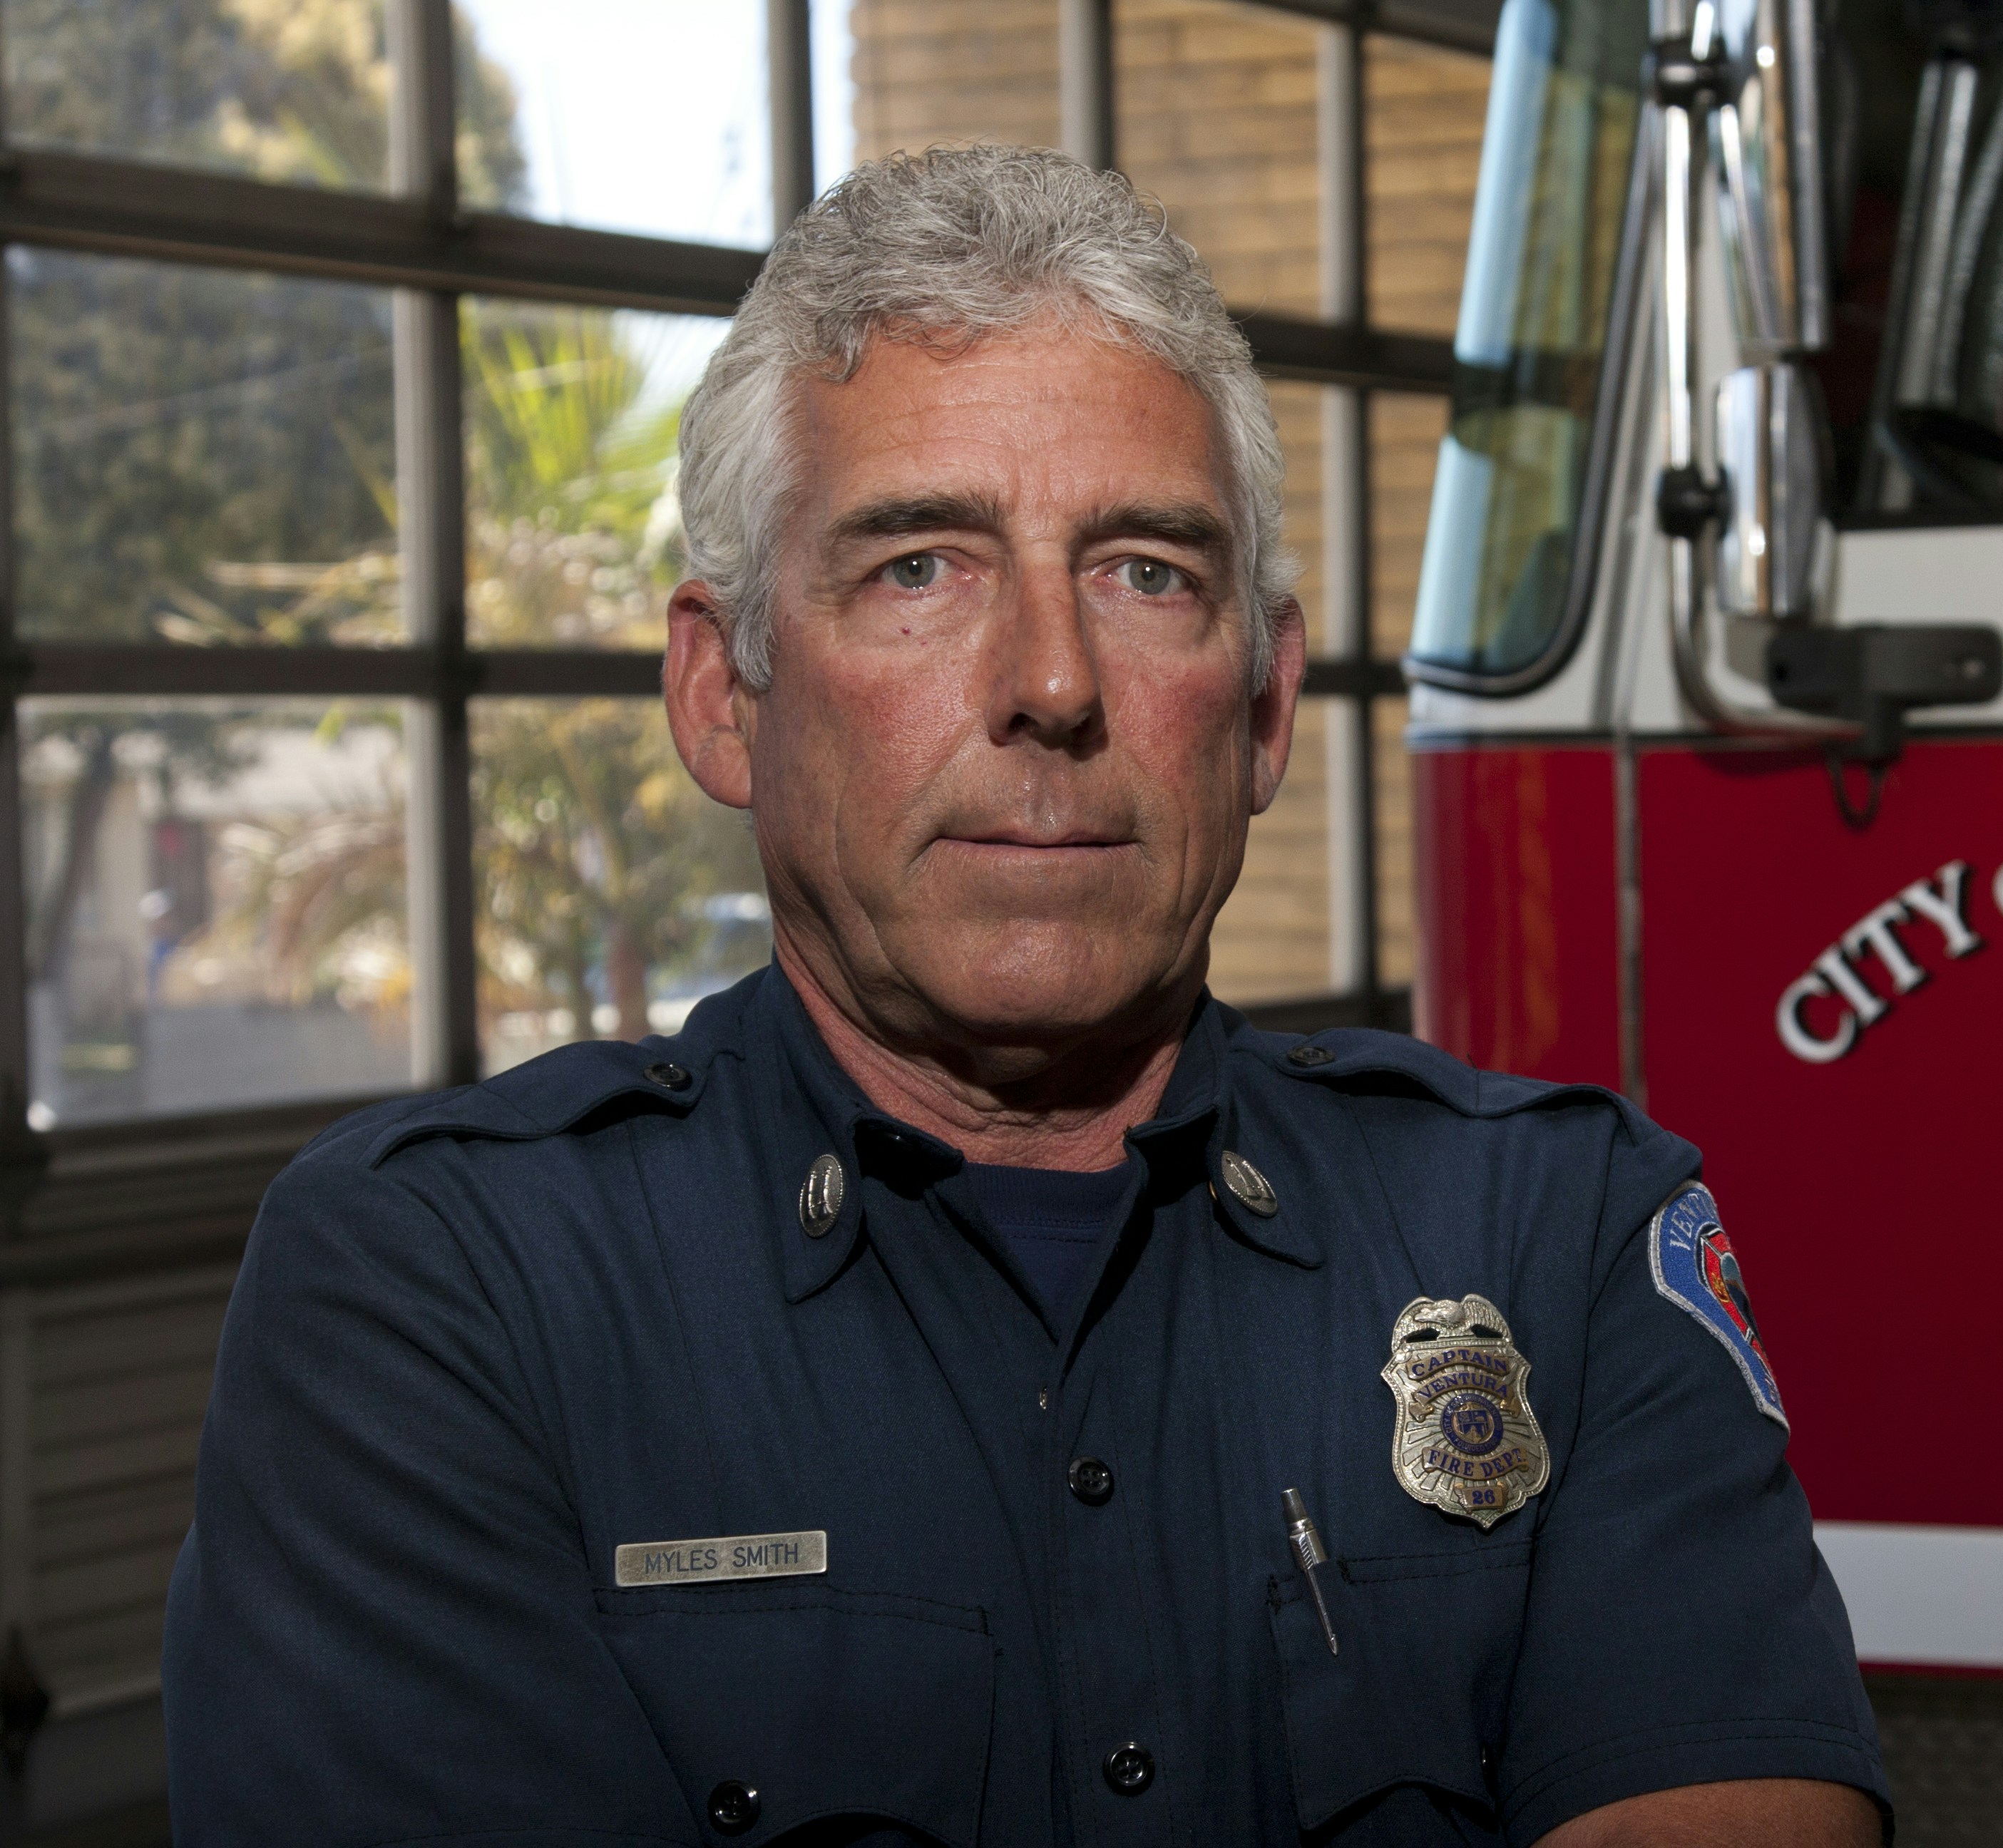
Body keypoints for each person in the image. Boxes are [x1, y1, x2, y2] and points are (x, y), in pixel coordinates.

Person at [163, 144, 1890, 1847]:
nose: (1052, 683)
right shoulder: (450, 1295)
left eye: (1148, 572)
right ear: (723, 698)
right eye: (919, 566)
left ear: (1267, 708)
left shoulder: (1560, 1237)